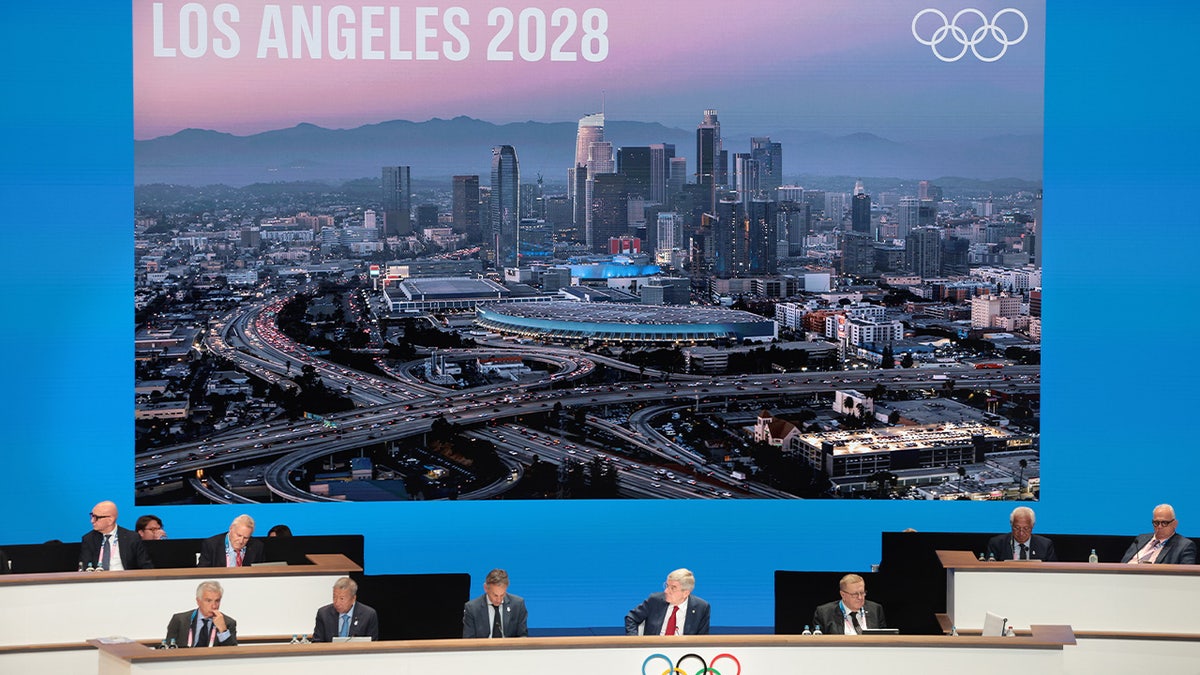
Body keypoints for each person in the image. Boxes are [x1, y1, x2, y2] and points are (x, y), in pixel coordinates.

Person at [624, 568, 710, 636]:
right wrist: (634, 642)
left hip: (683, 653)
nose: (666, 591)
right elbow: (631, 618)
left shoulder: (701, 608)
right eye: (667, 585)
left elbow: (702, 639)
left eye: (673, 588)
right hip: (653, 651)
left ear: (686, 593)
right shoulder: (655, 600)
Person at [79, 500, 153, 570]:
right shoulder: (89, 539)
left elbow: (146, 566)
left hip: (126, 580)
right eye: (92, 516)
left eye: (96, 517)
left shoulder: (132, 538)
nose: (92, 521)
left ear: (110, 520)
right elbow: (85, 567)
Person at [165, 580, 237, 647]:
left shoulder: (228, 623)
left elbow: (232, 653)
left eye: (217, 601)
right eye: (208, 601)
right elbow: (168, 649)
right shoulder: (180, 620)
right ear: (198, 601)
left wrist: (223, 630)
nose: (214, 606)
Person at [1120, 504, 1197, 564]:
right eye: (1156, 523)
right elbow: (1123, 563)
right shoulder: (1141, 539)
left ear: (1175, 524)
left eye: (1164, 523)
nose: (1159, 526)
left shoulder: (1184, 546)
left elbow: (1186, 575)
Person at [811, 574, 887, 635]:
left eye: (862, 593)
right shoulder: (824, 613)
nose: (860, 597)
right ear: (843, 595)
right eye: (855, 594)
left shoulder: (875, 609)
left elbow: (885, 638)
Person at [463, 568, 528, 638]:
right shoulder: (472, 608)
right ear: (485, 588)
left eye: (502, 595)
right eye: (495, 595)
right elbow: (468, 639)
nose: (499, 599)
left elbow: (523, 636)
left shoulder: (517, 605)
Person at [313, 576, 379, 641]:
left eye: (342, 599)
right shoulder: (323, 614)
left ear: (353, 598)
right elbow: (317, 643)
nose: (337, 602)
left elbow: (372, 644)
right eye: (334, 597)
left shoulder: (368, 615)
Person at [986, 506, 1057, 561]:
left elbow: (1054, 572)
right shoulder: (997, 544)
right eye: (1016, 528)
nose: (1021, 533)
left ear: (1032, 525)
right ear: (1011, 524)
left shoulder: (1045, 545)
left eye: (1026, 528)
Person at [198, 514, 264, 567]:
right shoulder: (211, 544)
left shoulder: (257, 546)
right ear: (231, 529)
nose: (241, 541)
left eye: (246, 538)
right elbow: (202, 571)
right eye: (239, 535)